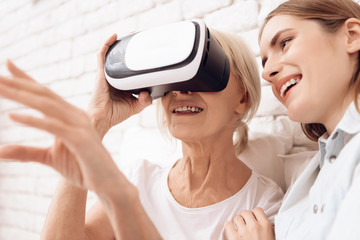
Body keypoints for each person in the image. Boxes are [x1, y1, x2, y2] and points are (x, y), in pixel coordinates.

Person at [0, 28, 283, 239]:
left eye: (200, 74)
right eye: (172, 78)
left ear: (242, 99)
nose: (181, 91)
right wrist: (93, 123)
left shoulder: (262, 203)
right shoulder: (140, 180)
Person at [224, 0, 360, 239]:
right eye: (264, 62)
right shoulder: (316, 172)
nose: (266, 73)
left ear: (351, 36)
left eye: (285, 42)